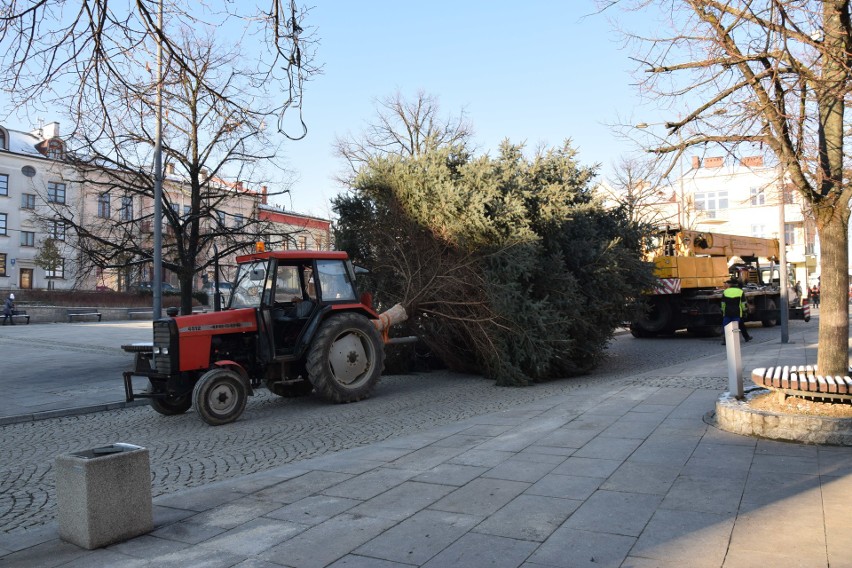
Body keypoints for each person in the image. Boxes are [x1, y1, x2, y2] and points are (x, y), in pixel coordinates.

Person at [721, 279, 752, 345]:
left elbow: (723, 304)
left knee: (726, 326)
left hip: (727, 312)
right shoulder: (740, 292)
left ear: (730, 284)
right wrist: (745, 311)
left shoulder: (725, 292)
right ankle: (736, 339)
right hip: (737, 312)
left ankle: (725, 340)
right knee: (736, 326)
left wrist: (723, 311)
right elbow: (743, 303)